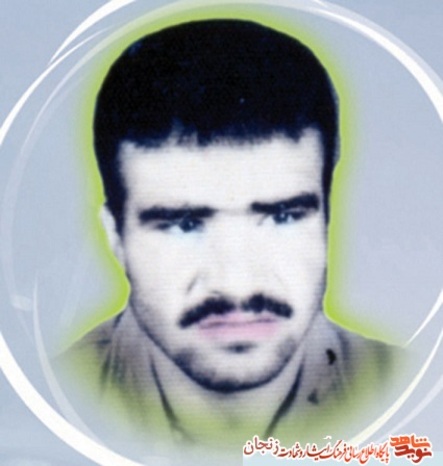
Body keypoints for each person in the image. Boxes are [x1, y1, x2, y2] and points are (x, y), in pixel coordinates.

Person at [58, 19, 394, 456]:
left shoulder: (414, 394)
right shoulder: (40, 404)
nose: (236, 285)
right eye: (184, 225)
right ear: (116, 237)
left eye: (283, 217)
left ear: (327, 222)